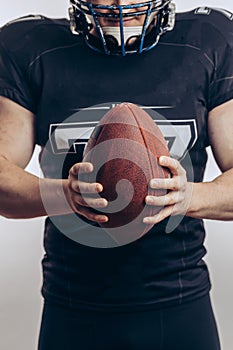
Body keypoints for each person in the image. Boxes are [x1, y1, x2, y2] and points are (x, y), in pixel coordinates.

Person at [0, 0, 233, 349]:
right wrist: (64, 193)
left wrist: (188, 196)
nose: (120, 4)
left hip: (179, 300)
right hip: (73, 302)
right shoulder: (28, 46)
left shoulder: (208, 40)